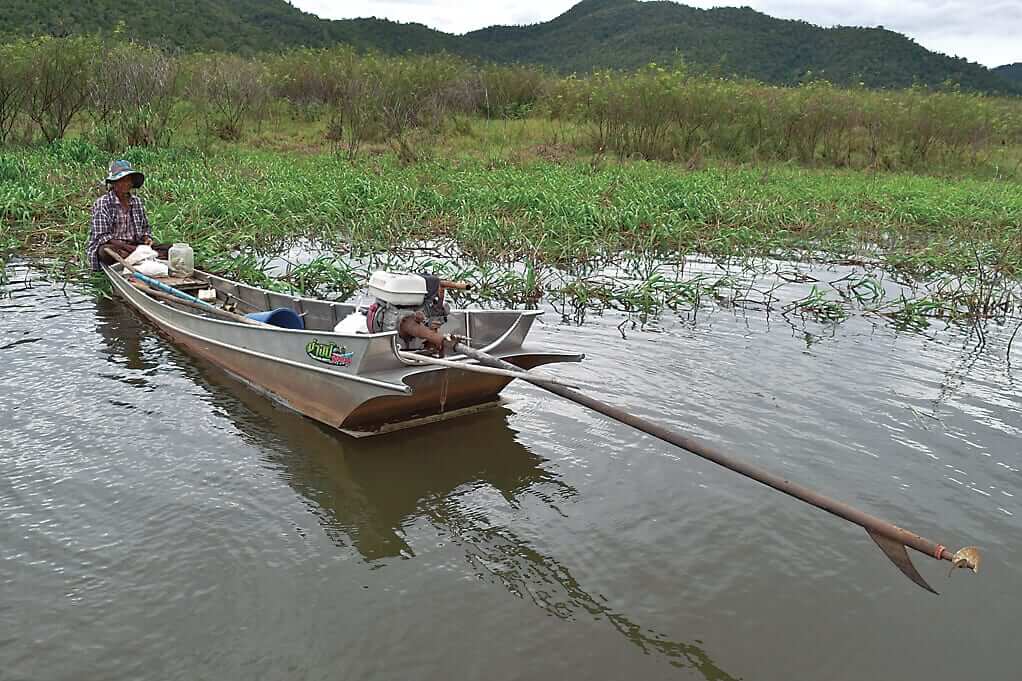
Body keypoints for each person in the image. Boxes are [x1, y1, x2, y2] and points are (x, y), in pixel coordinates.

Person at [86, 159, 165, 270]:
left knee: (169, 248)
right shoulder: (103, 203)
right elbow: (103, 237)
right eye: (121, 180)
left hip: (136, 245)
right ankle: (141, 258)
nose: (126, 184)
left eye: (128, 180)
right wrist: (130, 248)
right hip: (117, 247)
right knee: (105, 251)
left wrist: (147, 238)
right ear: (114, 183)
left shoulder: (136, 202)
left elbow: (145, 227)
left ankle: (141, 258)